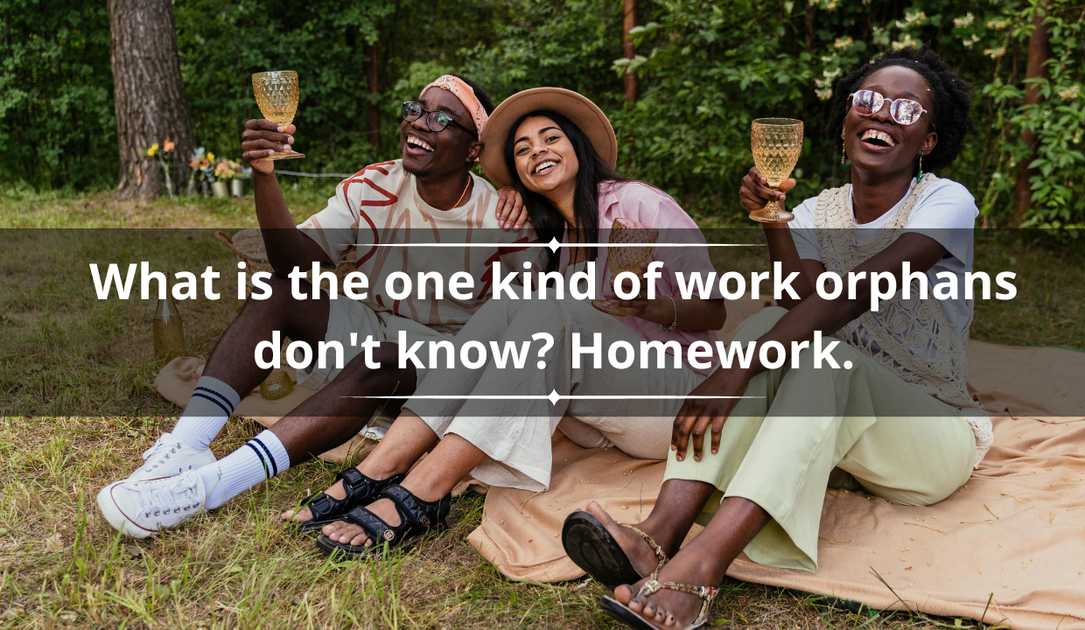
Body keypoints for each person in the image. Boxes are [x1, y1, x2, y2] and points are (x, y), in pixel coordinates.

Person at [562, 48, 992, 629]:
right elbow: (801, 300)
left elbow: (855, 293)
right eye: (867, 100)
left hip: (931, 439)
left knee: (807, 353)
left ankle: (704, 564)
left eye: (904, 109)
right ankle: (657, 535)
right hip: (845, 429)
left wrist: (736, 369)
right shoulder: (819, 210)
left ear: (929, 141)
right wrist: (774, 222)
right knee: (771, 325)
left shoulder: (947, 201)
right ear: (845, 122)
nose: (882, 115)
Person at [97, 74, 540, 539]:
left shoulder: (500, 215)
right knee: (279, 290)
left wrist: (519, 202)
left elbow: (532, 316)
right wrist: (264, 175)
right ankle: (187, 445)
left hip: (446, 363)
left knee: (384, 359)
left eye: (442, 118)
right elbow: (295, 264)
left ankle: (210, 487)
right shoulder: (375, 184)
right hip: (374, 327)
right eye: (416, 108)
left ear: (473, 150)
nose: (420, 123)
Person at [295, 87, 726, 558]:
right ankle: (380, 466)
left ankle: (424, 487)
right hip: (591, 414)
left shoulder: (635, 204)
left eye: (550, 138)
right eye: (522, 150)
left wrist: (649, 306)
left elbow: (713, 310)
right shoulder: (551, 241)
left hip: (671, 399)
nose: (537, 152)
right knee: (509, 305)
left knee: (542, 309)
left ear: (577, 146)